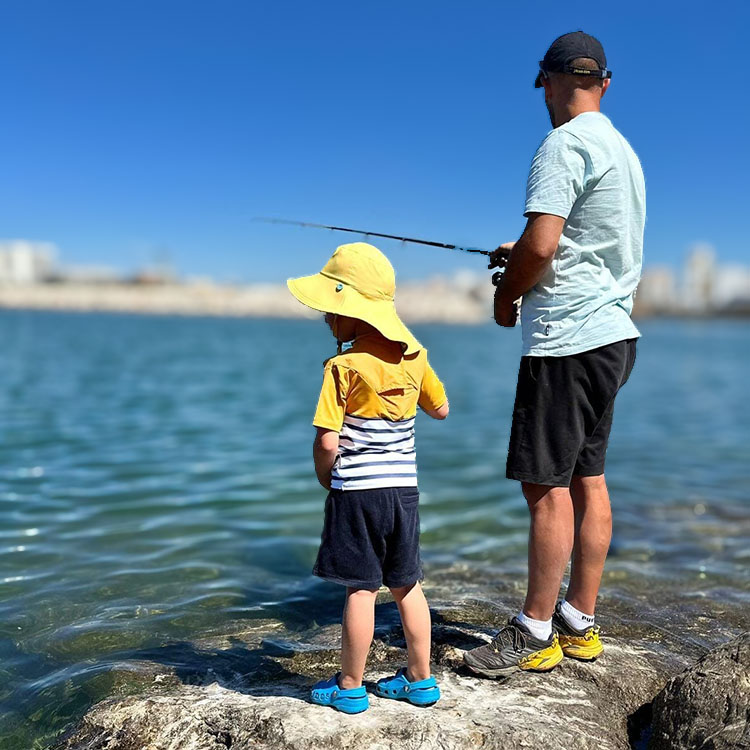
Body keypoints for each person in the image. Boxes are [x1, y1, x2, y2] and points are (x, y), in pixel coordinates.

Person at [464, 31, 645, 677]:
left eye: (542, 84)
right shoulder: (622, 152)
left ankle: (535, 631)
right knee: (587, 479)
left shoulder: (563, 143)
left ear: (547, 79)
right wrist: (525, 255)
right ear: (605, 81)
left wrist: (506, 297)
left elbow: (543, 246)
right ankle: (579, 622)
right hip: (613, 336)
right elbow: (578, 248)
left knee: (546, 488)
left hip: (567, 340)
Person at [287, 242, 449, 712]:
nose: (326, 320)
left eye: (329, 311)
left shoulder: (343, 366)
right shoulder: (415, 357)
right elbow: (440, 410)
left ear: (352, 317)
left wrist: (325, 477)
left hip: (357, 493)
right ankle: (421, 680)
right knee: (408, 585)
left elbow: (326, 442)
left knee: (361, 589)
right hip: (404, 493)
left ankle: (351, 686)